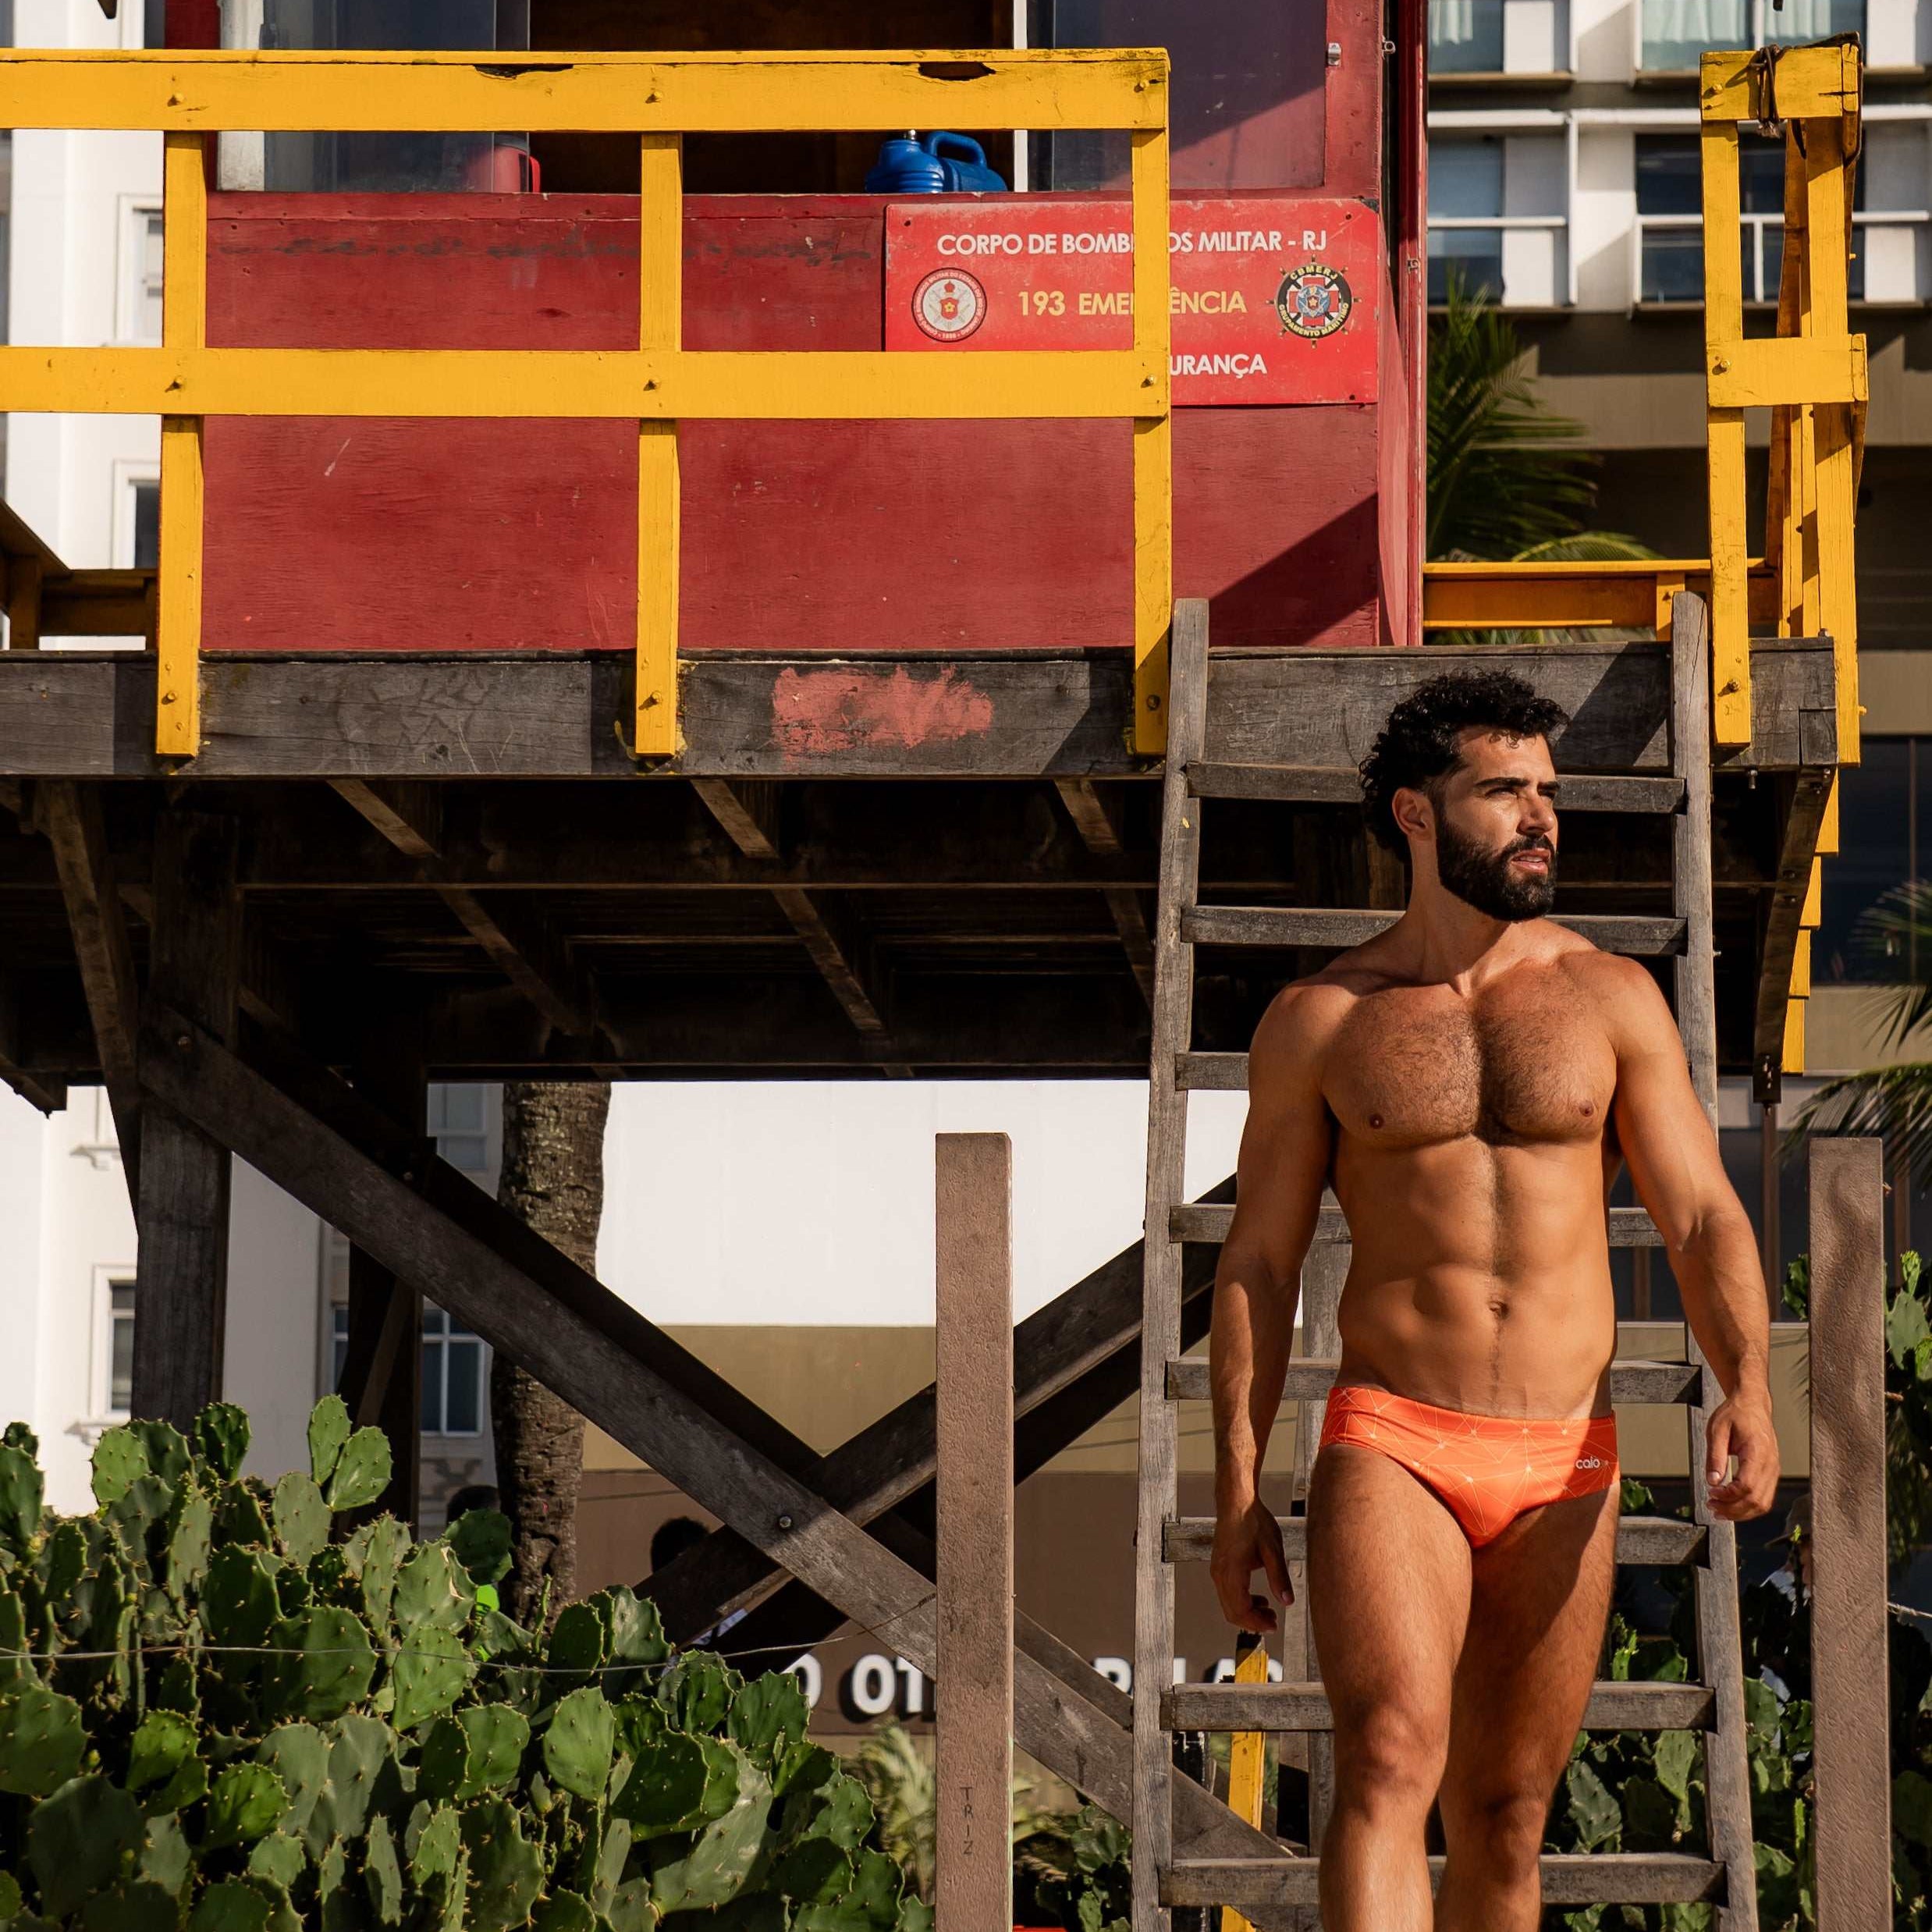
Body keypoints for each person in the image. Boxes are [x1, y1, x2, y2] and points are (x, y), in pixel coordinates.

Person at [1208, 669, 1780, 1932]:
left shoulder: (1610, 998)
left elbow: (1698, 1216)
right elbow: (1255, 1261)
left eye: (1549, 794)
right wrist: (1238, 1484)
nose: (1541, 818)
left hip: (1566, 1455)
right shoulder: (1321, 1020)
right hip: (1394, 1440)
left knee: (1508, 1815)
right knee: (1390, 1763)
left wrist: (1749, 1384)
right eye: (1504, 791)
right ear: (1417, 816)